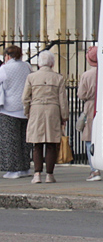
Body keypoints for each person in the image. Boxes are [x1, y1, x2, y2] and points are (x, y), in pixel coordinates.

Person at [22, 50, 68, 184]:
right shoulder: (58, 78)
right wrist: (64, 116)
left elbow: (25, 98)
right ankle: (49, 175)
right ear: (52, 63)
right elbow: (63, 100)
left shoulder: (31, 77)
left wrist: (27, 112)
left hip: (36, 110)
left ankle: (37, 174)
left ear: (39, 63)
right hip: (53, 110)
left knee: (37, 144)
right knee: (51, 144)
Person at [0, 45, 33, 179]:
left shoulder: (5, 69)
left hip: (9, 108)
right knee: (25, 140)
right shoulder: (27, 66)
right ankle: (25, 167)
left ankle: (13, 169)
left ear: (7, 56)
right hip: (25, 107)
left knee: (10, 140)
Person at [77, 46, 103, 180]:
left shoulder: (86, 75)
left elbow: (81, 94)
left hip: (90, 106)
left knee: (90, 138)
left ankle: (95, 170)